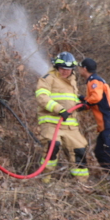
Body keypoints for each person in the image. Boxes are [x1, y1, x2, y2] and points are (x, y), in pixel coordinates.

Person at [35, 52, 89, 182]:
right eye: (62, 68)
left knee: (79, 150)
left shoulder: (72, 80)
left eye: (68, 69)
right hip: (51, 123)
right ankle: (45, 179)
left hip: (70, 126)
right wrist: (59, 109)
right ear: (57, 66)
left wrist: (79, 103)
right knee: (52, 146)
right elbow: (42, 97)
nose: (65, 71)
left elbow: (68, 99)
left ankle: (82, 182)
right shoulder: (48, 78)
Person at [78, 58, 110, 177]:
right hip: (106, 123)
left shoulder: (94, 81)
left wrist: (86, 104)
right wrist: (83, 99)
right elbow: (96, 100)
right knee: (100, 151)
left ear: (84, 69)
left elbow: (96, 97)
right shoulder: (93, 81)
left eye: (80, 67)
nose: (78, 70)